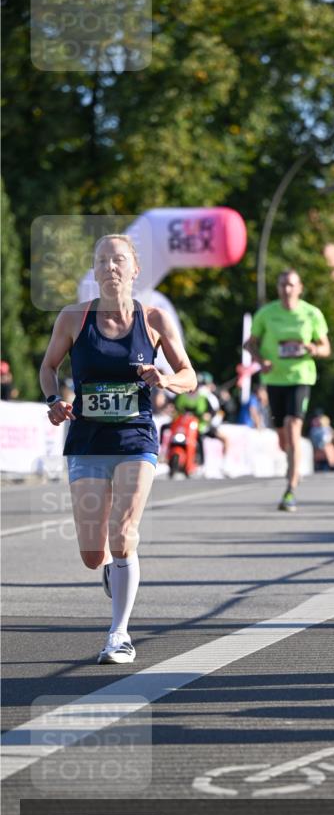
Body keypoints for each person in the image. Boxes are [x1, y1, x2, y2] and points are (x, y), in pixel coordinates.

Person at [40, 234, 196, 664]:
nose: (110, 267)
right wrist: (54, 401)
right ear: (94, 271)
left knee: (124, 534)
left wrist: (164, 379)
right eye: (103, 261)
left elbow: (190, 376)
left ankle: (119, 634)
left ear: (135, 269)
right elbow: (48, 367)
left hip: (135, 438)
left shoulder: (155, 320)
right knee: (94, 554)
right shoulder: (73, 318)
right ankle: (112, 569)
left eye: (119, 260)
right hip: (87, 441)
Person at [244, 269, 330, 511]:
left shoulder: (311, 313)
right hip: (274, 380)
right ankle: (292, 463)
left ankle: (290, 489)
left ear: (300, 288)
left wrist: (313, 348)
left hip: (301, 378)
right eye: (282, 285)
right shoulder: (266, 313)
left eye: (291, 285)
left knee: (294, 428)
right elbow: (249, 344)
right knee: (283, 439)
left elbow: (326, 348)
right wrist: (261, 360)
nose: (287, 289)